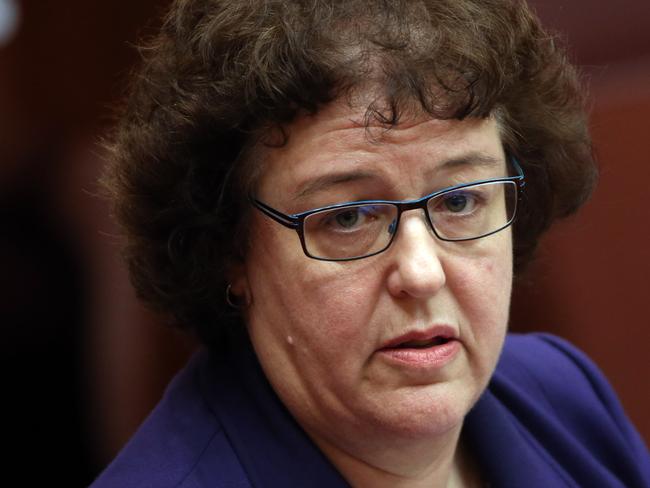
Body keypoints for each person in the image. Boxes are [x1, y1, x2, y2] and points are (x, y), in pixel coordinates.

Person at [90, 0, 650, 486]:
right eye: (349, 216)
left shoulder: (564, 398)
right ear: (230, 249)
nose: (423, 272)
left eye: (459, 201)